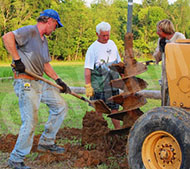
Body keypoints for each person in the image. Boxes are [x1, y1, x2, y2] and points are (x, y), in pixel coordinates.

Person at [2, 9, 71, 169]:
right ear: (49, 21)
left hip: (39, 82)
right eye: (56, 25)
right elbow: (7, 37)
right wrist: (17, 60)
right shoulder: (30, 31)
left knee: (60, 107)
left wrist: (58, 80)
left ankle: (46, 142)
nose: (55, 29)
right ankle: (16, 158)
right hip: (26, 83)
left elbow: (46, 65)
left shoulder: (43, 41)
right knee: (31, 121)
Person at [84, 21, 121, 129]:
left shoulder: (112, 44)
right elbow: (87, 69)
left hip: (113, 83)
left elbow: (119, 63)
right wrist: (88, 85)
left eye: (108, 35)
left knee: (115, 110)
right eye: (103, 35)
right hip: (99, 85)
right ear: (97, 34)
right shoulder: (92, 49)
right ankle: (100, 132)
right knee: (99, 110)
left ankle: (118, 132)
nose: (106, 37)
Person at [153, 19, 186, 106]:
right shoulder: (161, 40)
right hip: (165, 76)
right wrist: (160, 49)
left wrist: (170, 46)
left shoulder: (179, 37)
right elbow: (157, 58)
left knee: (176, 101)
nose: (157, 32)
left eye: (159, 30)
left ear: (165, 29)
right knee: (164, 101)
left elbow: (183, 55)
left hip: (178, 76)